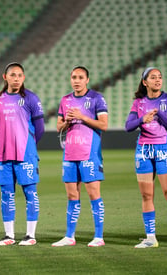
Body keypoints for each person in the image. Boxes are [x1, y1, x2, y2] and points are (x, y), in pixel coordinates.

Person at [125, 67, 167, 249]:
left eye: (159, 77)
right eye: (153, 78)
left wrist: (159, 113)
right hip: (144, 150)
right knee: (146, 195)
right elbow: (128, 126)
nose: (158, 80)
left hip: (163, 150)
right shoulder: (138, 102)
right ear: (145, 82)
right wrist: (141, 119)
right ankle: (151, 238)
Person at [0, 62, 45, 246]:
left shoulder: (31, 98)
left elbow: (40, 128)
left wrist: (27, 144)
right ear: (5, 77)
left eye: (20, 75)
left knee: (30, 192)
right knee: (6, 194)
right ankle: (9, 236)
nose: (17, 78)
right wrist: (8, 140)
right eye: (13, 75)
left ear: (24, 78)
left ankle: (30, 235)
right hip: (4, 154)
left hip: (26, 154)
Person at [52, 66, 108, 247]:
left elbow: (104, 125)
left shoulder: (96, 98)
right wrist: (67, 121)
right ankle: (69, 236)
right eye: (74, 77)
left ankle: (98, 237)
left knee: (93, 193)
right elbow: (58, 127)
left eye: (80, 77)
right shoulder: (65, 100)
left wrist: (82, 116)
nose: (76, 80)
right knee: (71, 195)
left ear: (87, 80)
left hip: (89, 153)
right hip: (70, 153)